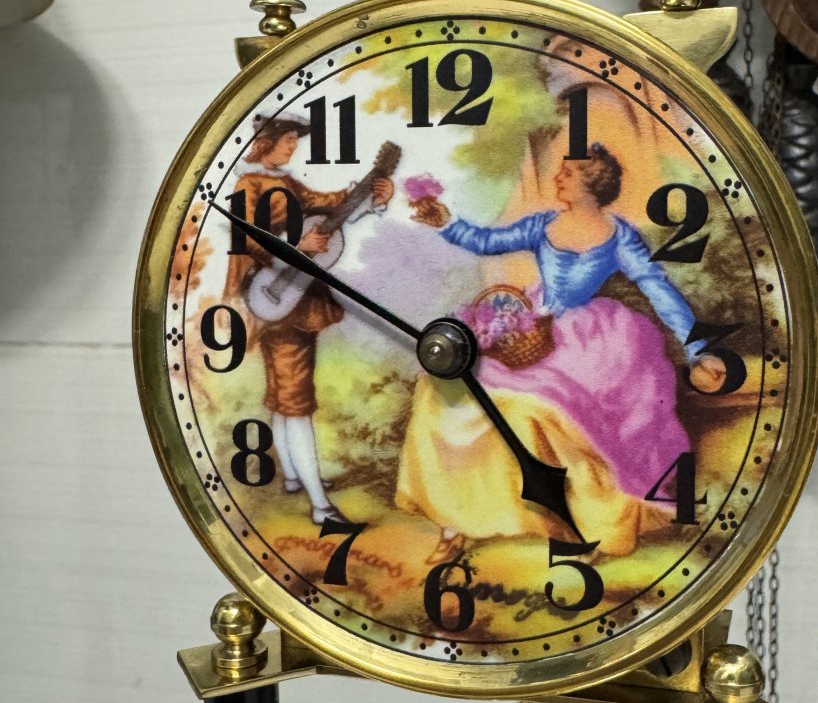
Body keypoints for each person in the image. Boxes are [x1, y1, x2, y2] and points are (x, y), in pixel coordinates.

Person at [398, 144, 724, 553]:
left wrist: (697, 348)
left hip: (591, 342)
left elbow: (656, 286)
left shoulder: (618, 235)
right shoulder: (543, 224)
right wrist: (446, 222)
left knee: (561, 419)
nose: (557, 178)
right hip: (534, 323)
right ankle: (459, 515)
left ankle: (586, 519)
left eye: (567, 174)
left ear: (591, 185)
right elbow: (487, 241)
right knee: (453, 396)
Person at [224, 115, 394, 523]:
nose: (292, 147)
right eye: (286, 140)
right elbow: (246, 238)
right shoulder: (248, 184)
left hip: (290, 298)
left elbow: (326, 202)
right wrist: (297, 246)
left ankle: (294, 477)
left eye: (294, 141)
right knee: (296, 402)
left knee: (285, 397)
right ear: (265, 142)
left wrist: (373, 193)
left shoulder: (285, 182)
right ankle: (320, 506)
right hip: (276, 300)